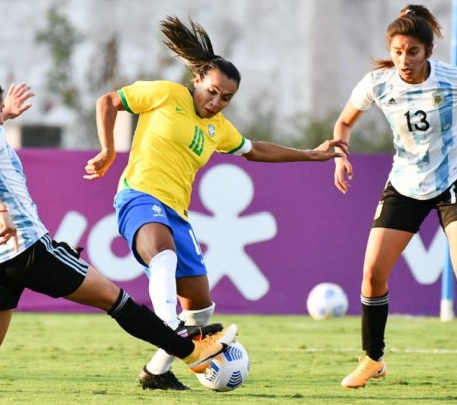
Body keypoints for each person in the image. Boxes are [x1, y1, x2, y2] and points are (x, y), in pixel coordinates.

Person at [0, 68, 238, 394]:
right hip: (28, 247)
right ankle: (192, 354)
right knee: (117, 302)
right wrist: (2, 210)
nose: (2, 112)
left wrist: (4, 116)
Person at [84, 16, 348, 390]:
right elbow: (108, 101)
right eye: (212, 91)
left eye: (226, 97)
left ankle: (156, 372)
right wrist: (108, 149)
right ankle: (168, 323)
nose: (216, 101)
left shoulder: (218, 128)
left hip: (177, 211)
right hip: (139, 196)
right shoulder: (166, 94)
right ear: (197, 81)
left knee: (201, 308)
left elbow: (255, 149)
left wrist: (311, 154)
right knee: (163, 253)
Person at [332, 4, 457, 390]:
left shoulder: (453, 78)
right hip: (405, 182)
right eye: (397, 51)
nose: (404, 60)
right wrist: (340, 156)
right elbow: (344, 122)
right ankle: (373, 359)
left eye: (413, 52)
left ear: (428, 52)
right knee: (373, 272)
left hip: (456, 177)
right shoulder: (378, 82)